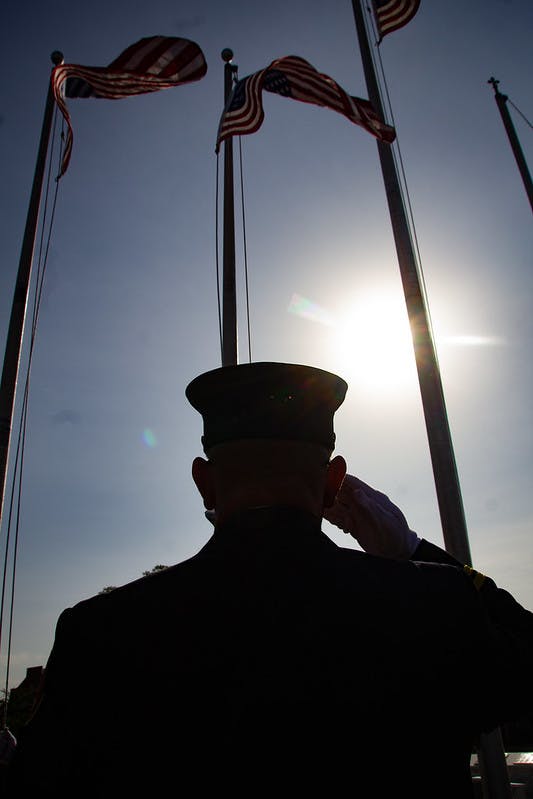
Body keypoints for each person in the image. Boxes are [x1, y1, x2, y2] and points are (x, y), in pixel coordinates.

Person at [5, 361, 533, 798]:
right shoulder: (434, 607)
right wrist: (411, 550)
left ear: (204, 483)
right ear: (333, 483)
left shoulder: (100, 635)